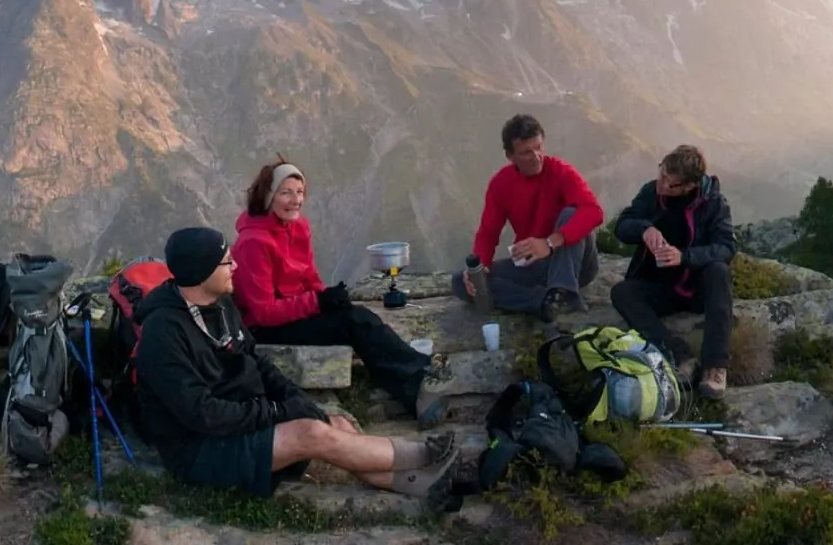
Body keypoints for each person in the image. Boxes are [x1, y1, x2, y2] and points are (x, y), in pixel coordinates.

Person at [133, 226, 462, 505]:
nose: (234, 266)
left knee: (335, 423)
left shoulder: (220, 305)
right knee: (311, 433)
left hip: (239, 420)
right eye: (225, 261)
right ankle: (423, 454)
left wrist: (294, 400)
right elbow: (201, 413)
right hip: (201, 450)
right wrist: (278, 412)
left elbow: (255, 362)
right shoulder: (163, 335)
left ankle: (419, 482)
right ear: (201, 272)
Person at [232, 156, 456, 427]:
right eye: (286, 193)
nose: (296, 200)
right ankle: (420, 377)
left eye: (300, 192)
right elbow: (264, 312)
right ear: (268, 196)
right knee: (354, 322)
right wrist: (317, 302)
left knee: (353, 316)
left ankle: (414, 389)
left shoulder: (297, 227)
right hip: (265, 328)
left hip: (292, 314)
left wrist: (327, 299)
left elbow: (308, 276)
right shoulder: (253, 242)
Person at [608, 144, 736, 400]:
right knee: (622, 293)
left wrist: (684, 257)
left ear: (689, 186)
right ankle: (679, 355)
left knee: (719, 272)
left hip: (697, 288)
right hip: (661, 286)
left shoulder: (713, 203)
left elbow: (726, 247)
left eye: (671, 182)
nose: (662, 183)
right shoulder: (651, 193)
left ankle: (715, 367)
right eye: (662, 173)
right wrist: (644, 229)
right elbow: (622, 225)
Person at [451, 114, 604, 322]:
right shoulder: (501, 184)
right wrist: (480, 268)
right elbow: (488, 233)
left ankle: (564, 292)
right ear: (510, 155)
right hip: (535, 264)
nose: (537, 156)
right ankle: (544, 302)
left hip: (575, 263)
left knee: (571, 214)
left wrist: (550, 242)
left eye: (539, 147)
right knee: (462, 281)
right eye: (526, 152)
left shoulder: (561, 172)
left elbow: (593, 212)